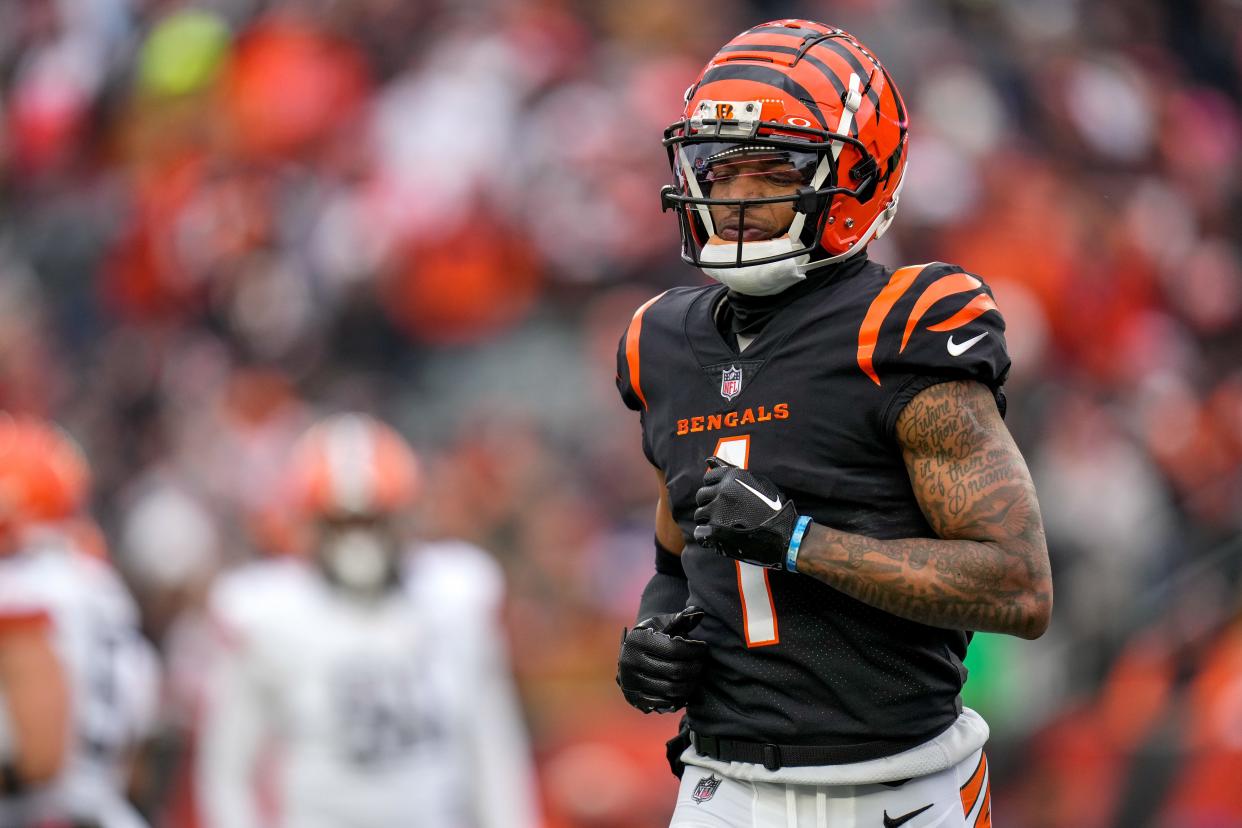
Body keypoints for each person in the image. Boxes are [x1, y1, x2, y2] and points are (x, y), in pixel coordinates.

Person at [614, 19, 1052, 827]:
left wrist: (798, 542)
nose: (737, 201)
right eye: (720, 170)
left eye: (772, 169)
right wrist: (649, 638)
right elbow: (674, 564)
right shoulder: (660, 342)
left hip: (900, 789)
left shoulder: (903, 326)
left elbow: (1017, 587)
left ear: (860, 177)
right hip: (723, 788)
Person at [196, 413, 540, 828]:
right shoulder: (268, 617)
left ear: (402, 517)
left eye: (373, 520)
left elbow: (494, 749)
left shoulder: (454, 600)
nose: (359, 541)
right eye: (341, 523)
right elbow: (228, 772)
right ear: (310, 524)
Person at [0, 416, 161, 828]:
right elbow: (139, 746)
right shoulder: (100, 583)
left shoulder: (17, 588)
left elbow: (38, 759)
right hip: (109, 808)